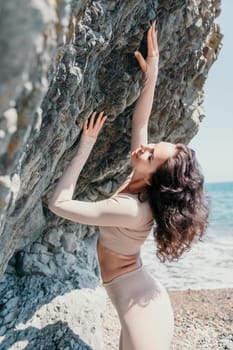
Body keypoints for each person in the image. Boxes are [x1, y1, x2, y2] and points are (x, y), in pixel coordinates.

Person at [48, 20, 209, 350]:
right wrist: (153, 69)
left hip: (140, 311)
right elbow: (142, 121)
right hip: (142, 294)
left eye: (150, 156)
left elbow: (58, 204)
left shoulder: (130, 208)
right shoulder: (141, 181)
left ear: (152, 176)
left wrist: (86, 146)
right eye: (154, 145)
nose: (144, 148)